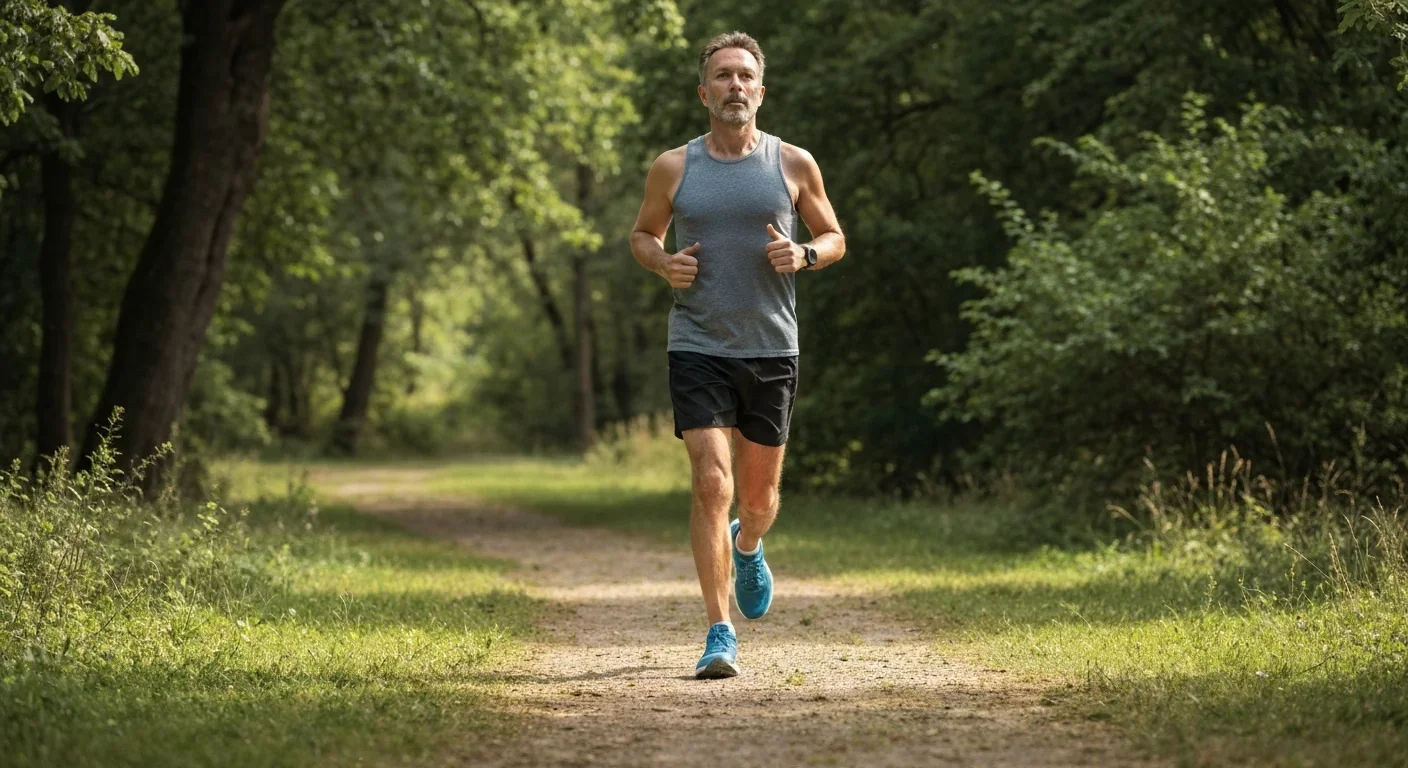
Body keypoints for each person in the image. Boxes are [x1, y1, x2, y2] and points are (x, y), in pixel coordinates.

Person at [628, 31, 846, 679]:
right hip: (697, 345)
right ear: (704, 92)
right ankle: (718, 631)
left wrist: (805, 254)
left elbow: (833, 236)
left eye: (744, 76)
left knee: (758, 498)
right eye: (722, 76)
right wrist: (663, 262)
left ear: (761, 90)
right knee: (711, 482)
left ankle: (748, 546)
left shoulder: (794, 163)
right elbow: (643, 234)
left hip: (772, 347)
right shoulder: (675, 167)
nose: (734, 86)